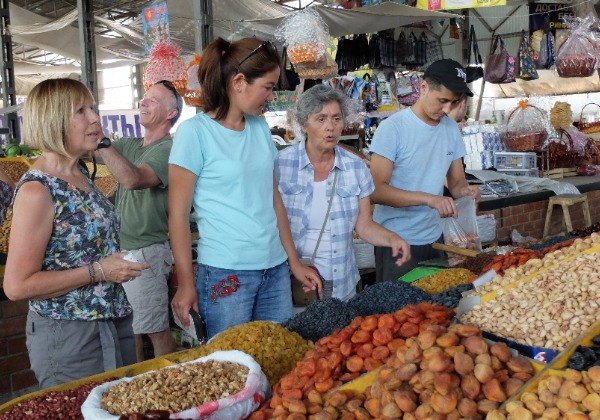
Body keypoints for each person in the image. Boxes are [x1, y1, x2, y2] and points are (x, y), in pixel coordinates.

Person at [168, 37, 322, 340]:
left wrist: (293, 261)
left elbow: (273, 199)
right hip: (227, 273)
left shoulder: (259, 127)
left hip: (274, 269)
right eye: (267, 86)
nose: (272, 95)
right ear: (239, 82)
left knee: (278, 358)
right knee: (231, 367)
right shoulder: (194, 133)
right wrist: (187, 284)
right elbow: (177, 217)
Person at [3, 78, 150, 388]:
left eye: (93, 108)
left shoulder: (79, 173)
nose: (95, 117)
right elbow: (17, 286)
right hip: (69, 336)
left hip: (112, 321)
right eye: (80, 111)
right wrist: (99, 270)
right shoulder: (37, 190)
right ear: (54, 121)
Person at [275, 84, 411, 301]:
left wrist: (392, 239)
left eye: (336, 119)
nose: (331, 127)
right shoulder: (281, 166)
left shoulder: (356, 168)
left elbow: (364, 226)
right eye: (321, 119)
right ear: (303, 124)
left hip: (342, 283)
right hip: (294, 281)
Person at [369, 59, 481, 282]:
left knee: (436, 311)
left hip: (435, 238)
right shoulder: (393, 128)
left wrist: (468, 192)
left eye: (454, 102)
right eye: (442, 101)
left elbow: (457, 183)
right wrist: (429, 199)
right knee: (399, 314)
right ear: (423, 88)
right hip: (396, 241)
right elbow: (376, 191)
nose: (447, 109)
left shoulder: (450, 128)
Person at [95, 80, 182, 361]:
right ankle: (131, 385)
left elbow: (133, 179)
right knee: (129, 328)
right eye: (144, 97)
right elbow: (91, 151)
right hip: (119, 251)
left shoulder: (169, 149)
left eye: (153, 100)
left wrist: (100, 140)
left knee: (155, 330)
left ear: (171, 114)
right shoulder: (129, 144)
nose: (143, 102)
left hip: (146, 251)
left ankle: (165, 387)